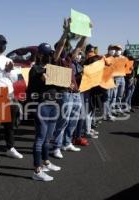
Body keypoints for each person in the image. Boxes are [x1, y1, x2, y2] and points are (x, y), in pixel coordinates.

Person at [52, 18, 91, 159]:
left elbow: (79, 47)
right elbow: (61, 45)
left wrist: (87, 33)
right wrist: (66, 32)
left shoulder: (69, 59)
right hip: (64, 94)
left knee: (73, 119)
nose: (66, 50)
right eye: (64, 48)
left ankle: (66, 142)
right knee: (63, 120)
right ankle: (56, 146)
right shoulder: (56, 59)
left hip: (74, 93)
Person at [0, 34, 23, 171]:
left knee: (10, 125)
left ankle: (10, 147)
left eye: (4, 43)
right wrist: (4, 72)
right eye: (0, 43)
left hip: (10, 93)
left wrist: (10, 71)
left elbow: (13, 79)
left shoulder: (8, 59)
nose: (2, 46)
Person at [27, 43, 61, 181]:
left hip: (53, 104)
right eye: (46, 54)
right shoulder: (35, 69)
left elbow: (58, 84)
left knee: (48, 137)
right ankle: (37, 170)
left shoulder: (52, 69)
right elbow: (37, 85)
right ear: (39, 54)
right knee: (40, 138)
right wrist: (45, 76)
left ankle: (46, 162)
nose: (49, 56)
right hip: (41, 105)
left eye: (50, 54)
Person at [103, 45, 117, 121]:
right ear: (108, 49)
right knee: (106, 98)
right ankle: (106, 115)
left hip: (111, 80)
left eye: (114, 50)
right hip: (106, 81)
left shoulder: (113, 58)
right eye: (112, 49)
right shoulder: (104, 57)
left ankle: (108, 114)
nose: (113, 51)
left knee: (110, 98)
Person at [112, 45, 126, 114]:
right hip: (115, 78)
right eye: (117, 49)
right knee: (114, 95)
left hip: (122, 78)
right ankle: (113, 108)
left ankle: (118, 107)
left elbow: (127, 66)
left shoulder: (124, 58)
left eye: (119, 49)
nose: (118, 51)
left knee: (120, 95)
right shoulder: (112, 58)